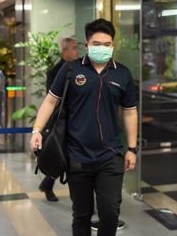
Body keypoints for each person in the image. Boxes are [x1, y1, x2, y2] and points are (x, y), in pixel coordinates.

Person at [30, 19, 138, 236]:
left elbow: (129, 111)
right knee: (81, 213)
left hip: (111, 154)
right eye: (96, 43)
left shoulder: (122, 74)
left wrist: (132, 148)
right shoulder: (71, 70)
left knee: (109, 211)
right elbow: (51, 100)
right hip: (77, 154)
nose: (102, 48)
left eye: (107, 44)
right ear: (87, 45)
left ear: (113, 45)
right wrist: (37, 130)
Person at [39, 37, 79, 202]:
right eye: (74, 48)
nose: (77, 51)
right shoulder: (54, 71)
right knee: (62, 156)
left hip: (75, 120)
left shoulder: (80, 68)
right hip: (61, 121)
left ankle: (48, 184)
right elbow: (53, 100)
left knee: (67, 158)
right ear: (65, 52)